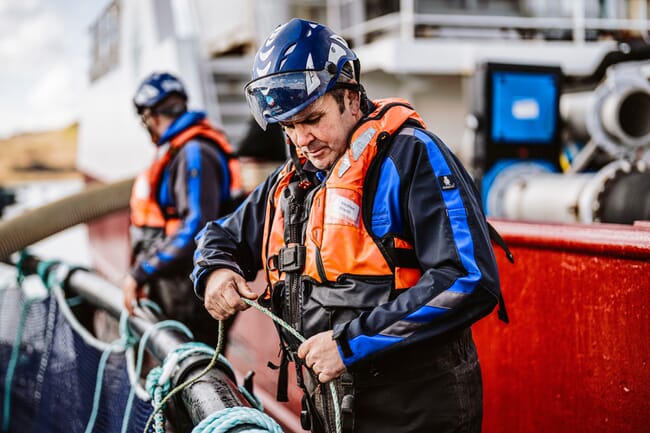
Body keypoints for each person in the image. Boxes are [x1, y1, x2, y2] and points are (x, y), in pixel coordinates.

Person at [191, 18, 506, 433]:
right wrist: (214, 272)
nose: (302, 139)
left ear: (350, 99)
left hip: (417, 414)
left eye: (312, 118)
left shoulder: (413, 157)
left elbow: (468, 278)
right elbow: (221, 234)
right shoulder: (293, 180)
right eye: (289, 127)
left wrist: (349, 344)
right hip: (334, 413)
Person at [123, 71, 243, 347]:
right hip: (183, 288)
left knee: (194, 374)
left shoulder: (193, 153)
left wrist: (141, 272)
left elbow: (196, 228)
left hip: (190, 294)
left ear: (151, 117)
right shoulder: (187, 148)